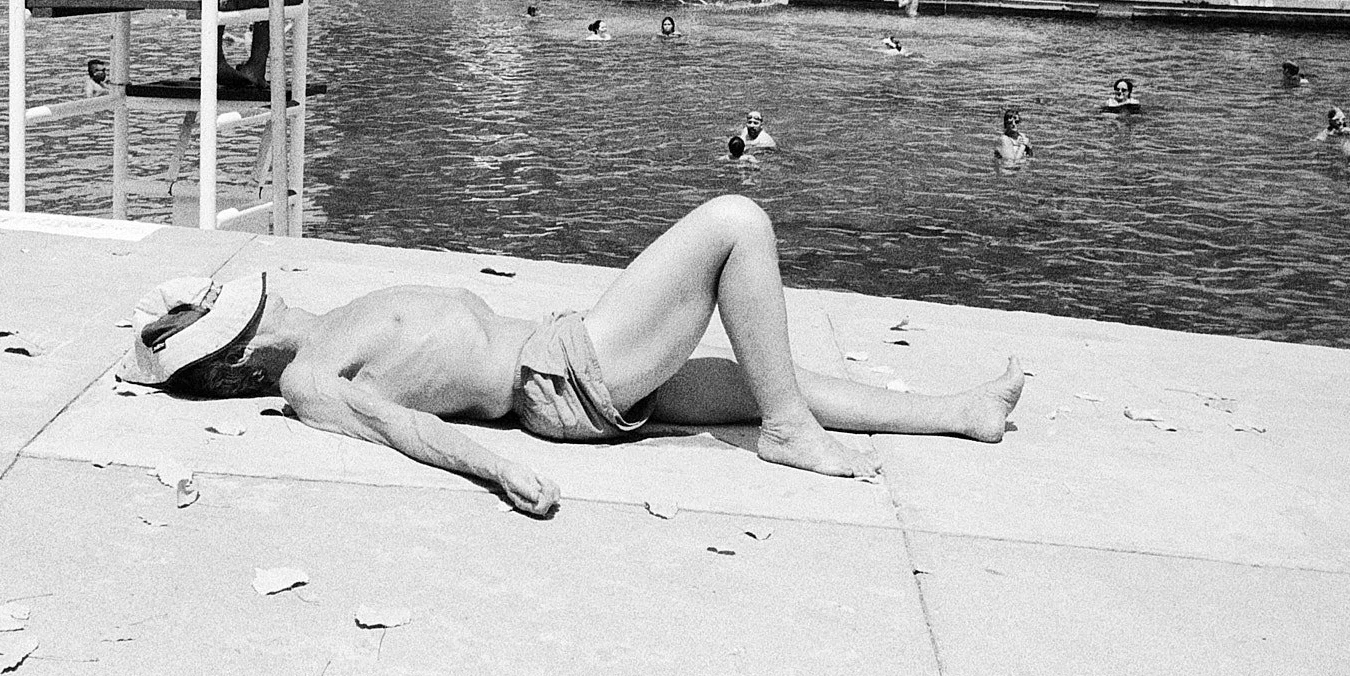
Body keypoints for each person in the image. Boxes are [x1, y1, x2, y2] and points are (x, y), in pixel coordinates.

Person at [121, 196, 1025, 516]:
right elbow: (392, 424)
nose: (236, 291)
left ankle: (957, 413)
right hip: (559, 379)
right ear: (239, 357)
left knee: (767, 378)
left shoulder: (333, 320)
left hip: (566, 364)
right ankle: (791, 434)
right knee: (736, 223)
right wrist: (492, 467)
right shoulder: (306, 372)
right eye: (214, 310)